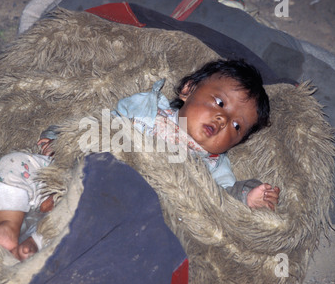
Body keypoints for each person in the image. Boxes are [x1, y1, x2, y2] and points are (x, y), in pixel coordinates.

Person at [113, 59, 280, 209]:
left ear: (237, 142)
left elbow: (223, 199)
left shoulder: (214, 164)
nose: (223, 120)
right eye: (220, 103)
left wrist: (248, 196)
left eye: (236, 126)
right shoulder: (149, 109)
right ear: (188, 89)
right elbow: (109, 126)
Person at [0, 126, 59, 261]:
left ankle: (35, 243)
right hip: (48, 177)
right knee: (13, 162)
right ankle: (8, 227)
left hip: (83, 190)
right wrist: (56, 142)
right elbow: (66, 132)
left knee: (70, 219)